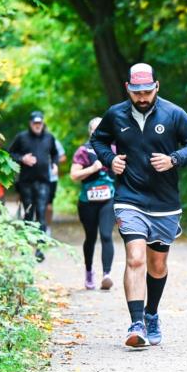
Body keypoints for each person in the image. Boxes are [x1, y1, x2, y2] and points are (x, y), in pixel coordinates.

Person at [91, 63, 187, 348]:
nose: (142, 97)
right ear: (127, 89)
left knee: (157, 265)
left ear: (156, 87)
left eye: (147, 91)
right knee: (136, 259)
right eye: (137, 92)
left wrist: (174, 159)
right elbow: (98, 140)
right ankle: (136, 323)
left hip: (165, 203)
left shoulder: (173, 113)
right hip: (130, 198)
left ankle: (152, 313)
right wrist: (110, 160)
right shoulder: (115, 114)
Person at [9, 110, 64, 262]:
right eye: (35, 123)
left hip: (43, 181)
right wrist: (22, 158)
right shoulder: (22, 137)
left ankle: (40, 249)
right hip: (26, 182)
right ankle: (26, 249)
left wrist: (55, 164)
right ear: (30, 123)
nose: (37, 126)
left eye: (40, 123)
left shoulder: (49, 137)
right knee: (28, 215)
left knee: (41, 213)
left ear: (43, 123)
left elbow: (55, 153)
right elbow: (9, 153)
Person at [71, 117, 116, 291]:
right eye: (95, 129)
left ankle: (107, 275)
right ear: (90, 132)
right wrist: (93, 168)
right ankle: (89, 272)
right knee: (90, 238)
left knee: (106, 235)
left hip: (108, 199)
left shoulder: (114, 148)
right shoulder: (83, 150)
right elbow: (74, 175)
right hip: (87, 201)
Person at [45, 136, 67, 236]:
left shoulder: (52, 141)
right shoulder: (30, 140)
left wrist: (52, 161)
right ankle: (36, 227)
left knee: (48, 205)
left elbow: (63, 157)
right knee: (36, 204)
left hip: (51, 178)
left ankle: (47, 227)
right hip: (34, 178)